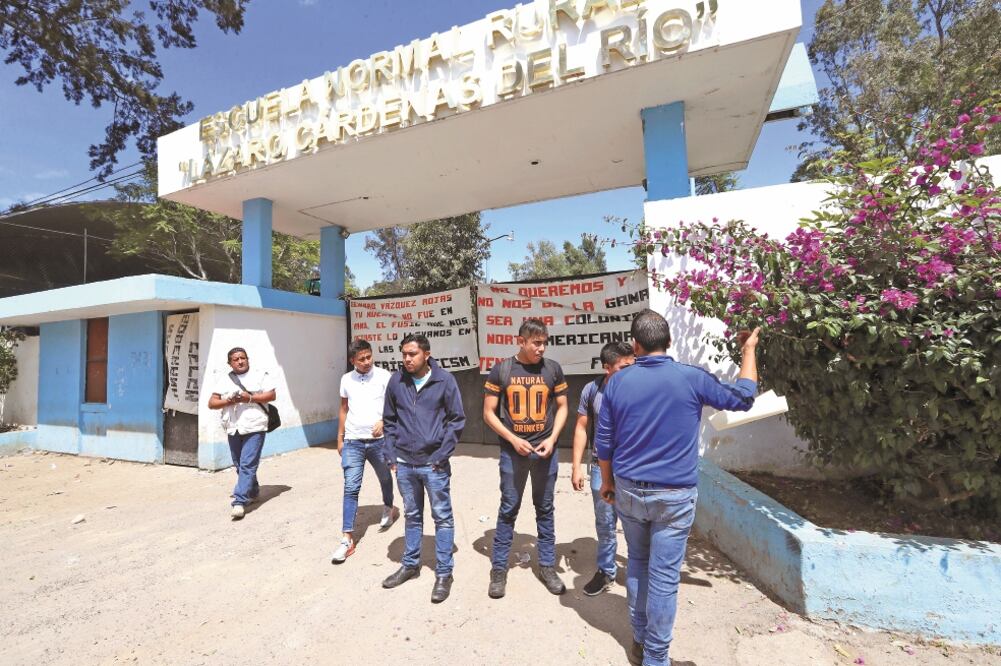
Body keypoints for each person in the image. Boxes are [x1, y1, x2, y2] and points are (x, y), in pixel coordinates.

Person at [595, 310, 760, 666]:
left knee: (637, 563)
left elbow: (604, 441)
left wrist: (606, 483)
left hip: (628, 490)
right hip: (673, 496)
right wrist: (748, 351)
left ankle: (640, 642)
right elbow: (744, 397)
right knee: (664, 577)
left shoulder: (616, 383)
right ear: (668, 342)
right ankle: (656, 658)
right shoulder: (691, 378)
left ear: (635, 345)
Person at [483, 318, 569, 599]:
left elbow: (563, 407)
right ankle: (498, 569)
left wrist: (552, 439)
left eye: (545, 342)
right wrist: (513, 439)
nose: (541, 348)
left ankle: (546, 565)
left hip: (545, 452)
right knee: (509, 508)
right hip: (513, 453)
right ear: (520, 341)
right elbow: (488, 414)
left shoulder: (553, 369)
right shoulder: (503, 369)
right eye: (536, 343)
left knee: (545, 508)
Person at [380, 333, 466, 604]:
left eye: (412, 354)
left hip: (434, 465)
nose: (407, 359)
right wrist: (391, 453)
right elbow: (389, 420)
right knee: (412, 515)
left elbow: (457, 420)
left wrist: (441, 455)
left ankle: (444, 573)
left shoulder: (445, 381)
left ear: (426, 355)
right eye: (404, 354)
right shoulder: (397, 381)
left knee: (442, 517)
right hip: (405, 464)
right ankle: (410, 565)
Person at [570, 341, 634, 596]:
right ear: (607, 367)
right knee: (605, 524)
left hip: (632, 468)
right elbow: (581, 428)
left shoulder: (639, 389)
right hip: (600, 466)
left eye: (632, 364)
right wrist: (576, 467)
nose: (630, 370)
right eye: (623, 366)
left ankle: (640, 573)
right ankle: (606, 571)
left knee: (635, 524)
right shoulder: (592, 389)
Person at [331, 339, 399, 564]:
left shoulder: (383, 376)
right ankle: (347, 539)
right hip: (353, 441)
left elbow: (394, 406)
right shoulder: (345, 379)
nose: (367, 362)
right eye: (361, 359)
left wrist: (383, 421)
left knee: (384, 477)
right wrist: (340, 438)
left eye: (369, 357)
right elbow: (343, 409)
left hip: (379, 440)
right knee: (350, 487)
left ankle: (388, 507)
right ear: (352, 361)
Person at [207, 347, 278, 521]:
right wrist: (228, 400)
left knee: (248, 463)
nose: (240, 361)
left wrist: (250, 398)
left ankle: (239, 501)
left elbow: (272, 395)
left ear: (247, 359)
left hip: (255, 425)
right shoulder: (225, 379)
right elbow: (212, 403)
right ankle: (252, 491)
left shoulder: (260, 375)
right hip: (233, 427)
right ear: (230, 363)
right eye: (236, 359)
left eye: (243, 358)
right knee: (239, 464)